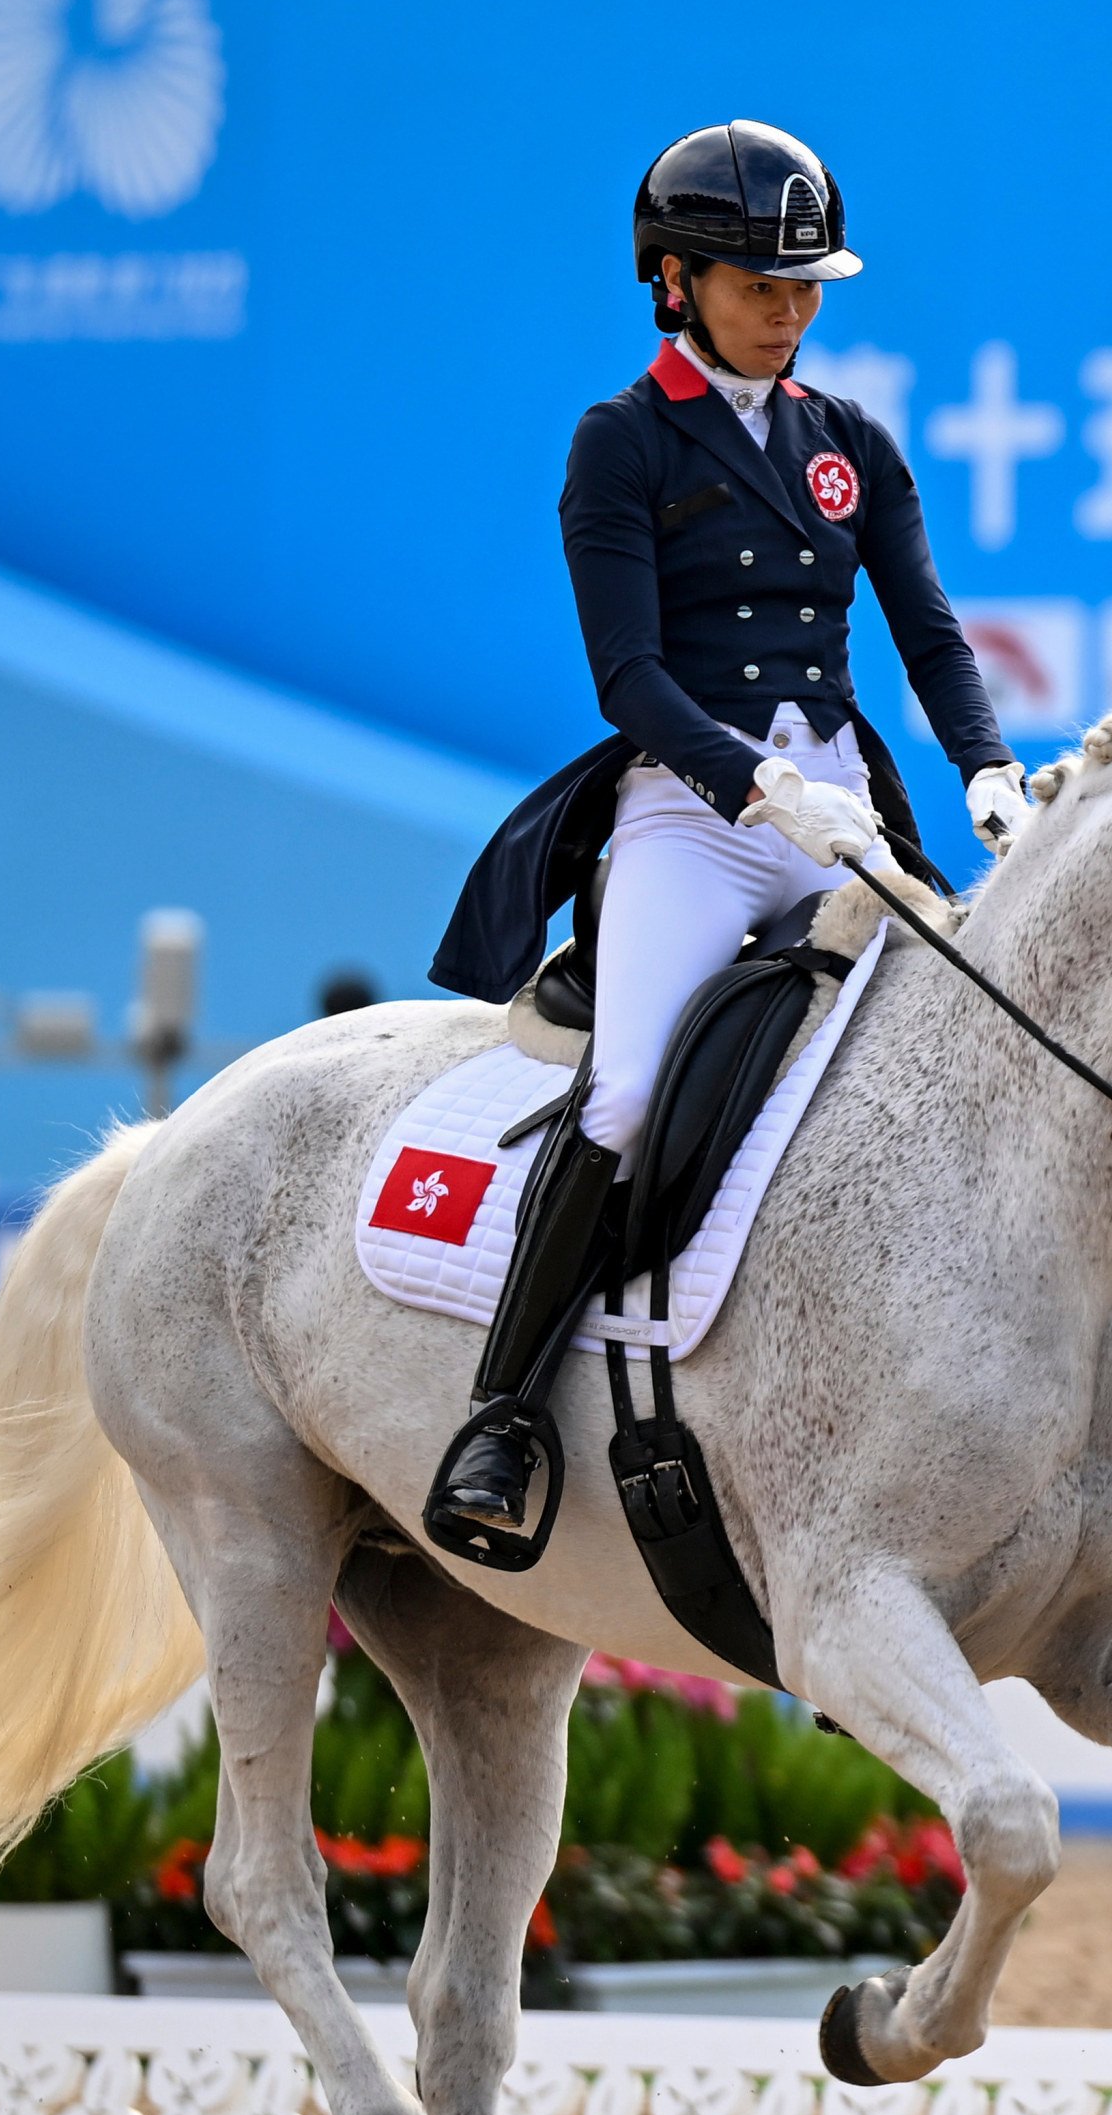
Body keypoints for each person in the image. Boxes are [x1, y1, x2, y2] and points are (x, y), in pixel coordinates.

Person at [415, 119, 1021, 1565]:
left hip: (843, 808)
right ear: (674, 281)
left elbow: (928, 631)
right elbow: (627, 676)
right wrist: (756, 785)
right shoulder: (620, 440)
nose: (790, 311)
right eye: (761, 286)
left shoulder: (850, 442)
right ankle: (503, 1414)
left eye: (807, 287)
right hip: (699, 814)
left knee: (961, 1052)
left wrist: (988, 766)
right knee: (627, 1093)